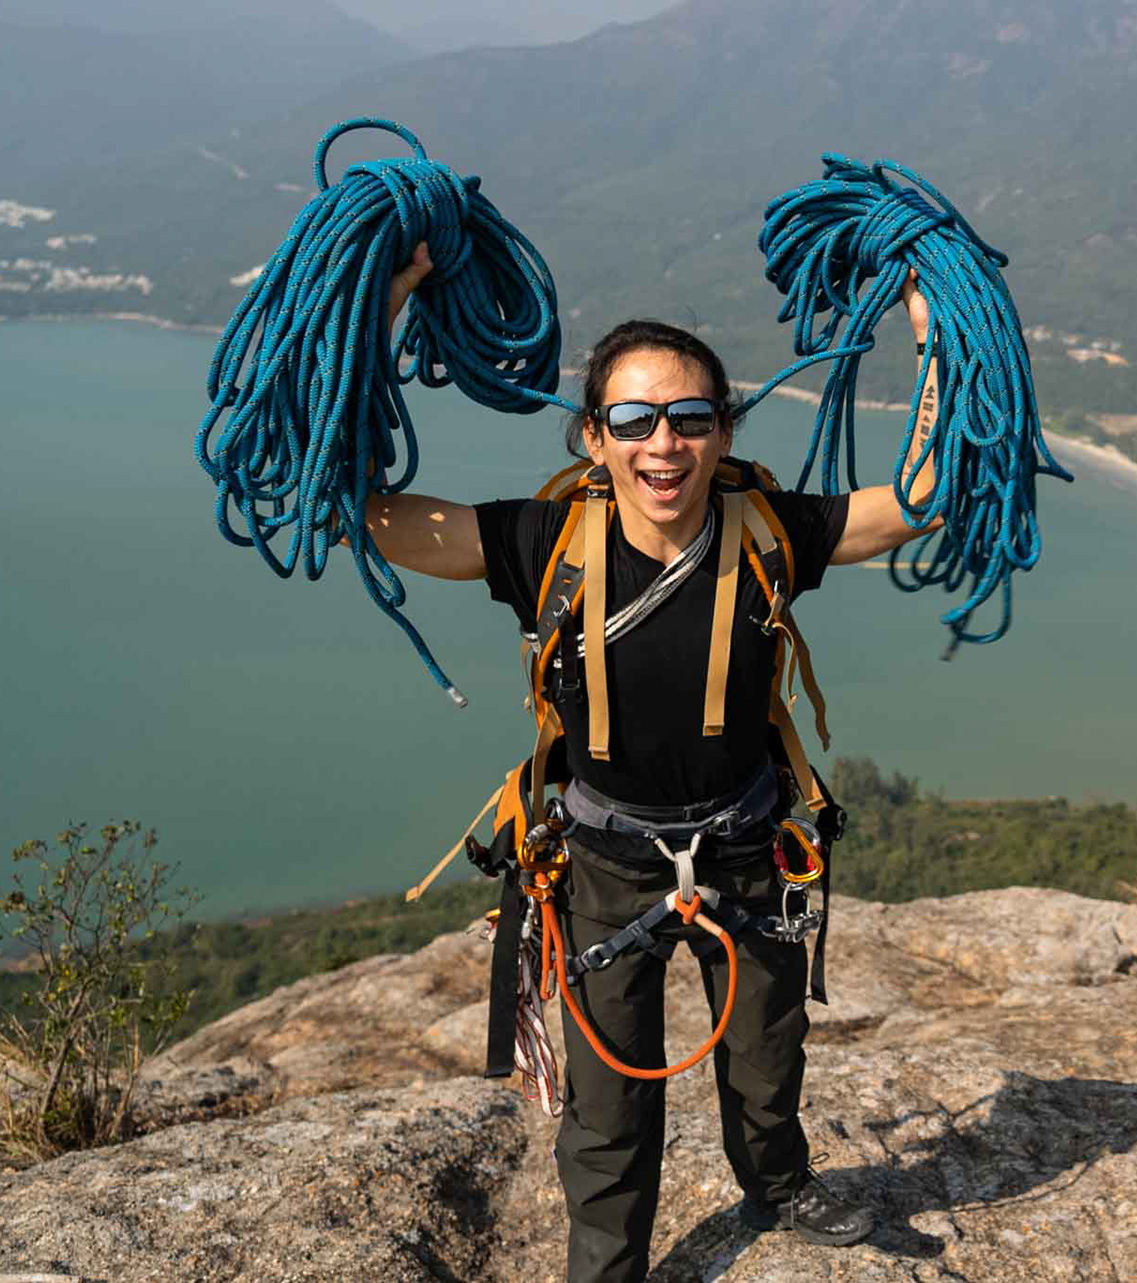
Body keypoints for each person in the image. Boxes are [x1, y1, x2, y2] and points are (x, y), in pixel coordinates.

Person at [368, 243, 940, 1283]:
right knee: (607, 1098)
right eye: (632, 420)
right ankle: (606, 1264)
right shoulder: (549, 541)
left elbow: (927, 492)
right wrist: (387, 300)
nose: (662, 444)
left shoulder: (771, 527)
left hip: (749, 843)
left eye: (689, 418)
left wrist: (933, 326)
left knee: (768, 1055)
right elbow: (372, 511)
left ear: (724, 430)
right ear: (594, 438)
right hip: (605, 857)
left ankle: (775, 1180)